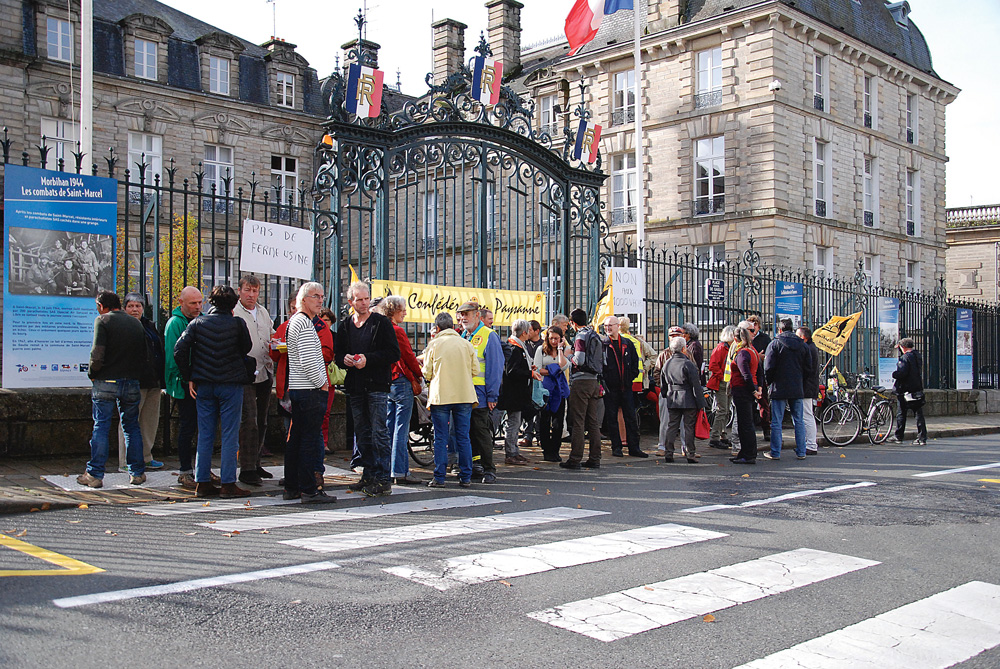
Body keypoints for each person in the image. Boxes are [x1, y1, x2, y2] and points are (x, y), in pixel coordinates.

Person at [173, 285, 253, 499]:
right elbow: (246, 347)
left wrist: (189, 376)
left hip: (204, 383)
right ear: (234, 304)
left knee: (205, 434)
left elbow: (179, 349)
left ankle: (202, 481)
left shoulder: (198, 323)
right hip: (230, 383)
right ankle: (228, 483)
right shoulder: (237, 323)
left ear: (211, 302)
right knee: (229, 434)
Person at [335, 281, 401, 497]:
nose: (364, 303)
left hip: (376, 385)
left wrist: (368, 359)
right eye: (359, 299)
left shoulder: (380, 322)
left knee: (378, 431)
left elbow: (393, 353)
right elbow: (338, 354)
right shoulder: (346, 325)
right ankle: (368, 474)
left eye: (366, 298)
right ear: (351, 301)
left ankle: (383, 478)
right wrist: (344, 359)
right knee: (362, 432)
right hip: (355, 385)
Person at [76, 291, 148, 488]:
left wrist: (92, 372)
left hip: (106, 380)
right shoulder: (136, 323)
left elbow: (97, 354)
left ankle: (95, 474)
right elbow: (144, 354)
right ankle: (137, 472)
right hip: (131, 381)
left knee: (101, 425)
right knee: (132, 427)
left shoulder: (103, 320)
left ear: (101, 305)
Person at [282, 282, 337, 503]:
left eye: (322, 296)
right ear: (303, 299)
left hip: (301, 389)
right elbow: (308, 360)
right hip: (309, 389)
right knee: (308, 441)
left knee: (296, 440)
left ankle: (292, 486)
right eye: (315, 296)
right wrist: (322, 382)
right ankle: (309, 489)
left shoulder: (298, 322)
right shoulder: (303, 323)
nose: (320, 300)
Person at [421, 312, 478, 487]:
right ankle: (466, 476)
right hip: (464, 395)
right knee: (463, 437)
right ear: (453, 326)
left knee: (441, 438)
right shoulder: (466, 344)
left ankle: (439, 477)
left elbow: (427, 372)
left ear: (437, 328)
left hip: (441, 396)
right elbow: (475, 371)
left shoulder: (434, 344)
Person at [233, 275, 276, 486]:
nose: (251, 295)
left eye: (255, 291)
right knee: (248, 421)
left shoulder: (263, 311)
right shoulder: (234, 312)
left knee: (262, 420)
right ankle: (247, 468)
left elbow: (270, 333)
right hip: (244, 373)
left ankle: (256, 462)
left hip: (265, 370)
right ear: (240, 290)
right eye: (248, 290)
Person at [378, 295, 424, 484]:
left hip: (386, 380)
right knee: (401, 428)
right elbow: (408, 356)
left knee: (389, 426)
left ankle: (387, 468)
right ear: (394, 310)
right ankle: (400, 471)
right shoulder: (396, 330)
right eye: (402, 309)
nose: (405, 312)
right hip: (400, 379)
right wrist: (419, 374)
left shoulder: (379, 328)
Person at [117, 292, 164, 471]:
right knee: (129, 422)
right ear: (124, 308)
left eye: (138, 306)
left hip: (153, 380)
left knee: (149, 421)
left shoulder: (149, 326)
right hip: (133, 381)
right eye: (131, 306)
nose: (135, 309)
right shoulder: (122, 326)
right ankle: (125, 461)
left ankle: (145, 456)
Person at [456, 301, 503, 483]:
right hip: (465, 392)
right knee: (467, 431)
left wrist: (492, 395)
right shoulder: (464, 336)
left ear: (477, 315)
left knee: (481, 431)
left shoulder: (488, 335)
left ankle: (489, 468)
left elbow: (494, 368)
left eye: (467, 314)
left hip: (480, 394)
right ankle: (475, 465)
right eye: (461, 315)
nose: (463, 318)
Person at [164, 287, 205, 490]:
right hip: (184, 383)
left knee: (202, 427)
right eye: (193, 303)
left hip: (200, 381)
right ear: (181, 302)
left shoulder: (201, 319)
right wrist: (185, 378)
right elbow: (174, 356)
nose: (198, 307)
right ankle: (185, 470)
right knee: (187, 426)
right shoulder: (175, 323)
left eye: (200, 302)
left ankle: (201, 467)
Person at [762, 318, 814, 460]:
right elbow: (809, 368)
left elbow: (768, 367)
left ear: (779, 330)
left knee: (777, 421)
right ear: (792, 329)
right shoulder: (802, 346)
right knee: (799, 420)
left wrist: (769, 382)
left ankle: (775, 452)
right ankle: (801, 451)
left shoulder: (775, 344)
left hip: (778, 387)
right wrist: (800, 381)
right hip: (796, 387)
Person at [562, 308, 605, 470]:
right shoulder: (594, 335)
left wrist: (569, 355)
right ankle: (595, 457)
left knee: (578, 421)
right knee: (593, 422)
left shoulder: (581, 336)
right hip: (594, 381)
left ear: (573, 323)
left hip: (581, 382)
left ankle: (575, 458)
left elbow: (579, 360)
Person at [601, 315, 645, 458]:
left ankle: (634, 447)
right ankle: (616, 447)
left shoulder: (627, 343)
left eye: (610, 325)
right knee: (612, 419)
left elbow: (634, 364)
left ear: (617, 326)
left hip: (626, 388)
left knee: (631, 418)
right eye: (605, 326)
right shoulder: (603, 344)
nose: (608, 328)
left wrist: (629, 379)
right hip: (611, 389)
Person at [661, 336, 707, 463]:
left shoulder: (667, 363)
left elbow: (663, 384)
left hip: (672, 397)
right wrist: (701, 403)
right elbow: (696, 385)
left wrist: (666, 394)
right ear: (684, 349)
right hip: (688, 398)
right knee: (688, 427)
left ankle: (668, 452)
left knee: (672, 426)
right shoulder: (688, 364)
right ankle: (690, 453)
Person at [498, 319, 536, 465]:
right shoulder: (515, 349)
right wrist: (529, 373)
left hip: (517, 393)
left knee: (516, 422)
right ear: (524, 332)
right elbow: (512, 371)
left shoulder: (519, 347)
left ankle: (514, 450)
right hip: (513, 393)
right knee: (513, 424)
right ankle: (510, 453)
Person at [534, 325, 571, 462]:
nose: (554, 341)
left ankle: (555, 449)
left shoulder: (564, 350)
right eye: (551, 339)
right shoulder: (541, 350)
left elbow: (564, 365)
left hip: (559, 389)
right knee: (544, 420)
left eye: (556, 338)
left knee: (558, 422)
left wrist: (560, 349)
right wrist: (554, 371)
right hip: (545, 388)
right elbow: (538, 369)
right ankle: (546, 449)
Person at [728, 324, 763, 464]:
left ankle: (748, 454)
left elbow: (745, 375)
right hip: (750, 388)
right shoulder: (753, 351)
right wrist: (759, 388)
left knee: (745, 424)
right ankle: (745, 452)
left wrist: (754, 391)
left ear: (736, 339)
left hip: (743, 389)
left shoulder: (742, 353)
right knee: (746, 422)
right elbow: (759, 371)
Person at [891, 338, 927, 445]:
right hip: (916, 388)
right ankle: (922, 437)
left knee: (901, 413)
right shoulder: (917, 356)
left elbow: (902, 373)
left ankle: (899, 436)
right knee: (918, 414)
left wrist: (894, 374)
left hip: (905, 390)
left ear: (903, 347)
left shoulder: (905, 358)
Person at [707, 325, 736, 450]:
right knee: (722, 410)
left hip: (727, 381)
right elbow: (713, 365)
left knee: (726, 410)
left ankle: (723, 435)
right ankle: (715, 437)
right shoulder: (720, 348)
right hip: (722, 382)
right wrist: (723, 377)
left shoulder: (729, 347)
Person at [519, 320, 544, 448]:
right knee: (528, 408)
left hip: (540, 380)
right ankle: (527, 434)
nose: (527, 333)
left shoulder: (543, 344)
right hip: (528, 380)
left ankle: (540, 435)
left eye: (530, 330)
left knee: (539, 408)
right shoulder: (524, 344)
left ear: (536, 331)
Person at [797, 325, 821, 456]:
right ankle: (808, 443)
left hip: (807, 387)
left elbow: (807, 370)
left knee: (807, 415)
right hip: (808, 386)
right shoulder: (811, 347)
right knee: (806, 415)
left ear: (803, 337)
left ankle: (811, 444)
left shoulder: (809, 349)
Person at [746, 314, 772, 439]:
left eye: (755, 325)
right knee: (749, 405)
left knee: (764, 403)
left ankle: (766, 429)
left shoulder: (765, 339)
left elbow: (770, 356)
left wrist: (762, 358)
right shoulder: (745, 338)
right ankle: (751, 430)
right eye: (750, 325)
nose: (753, 328)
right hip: (749, 376)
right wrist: (757, 356)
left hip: (761, 374)